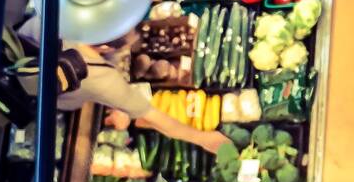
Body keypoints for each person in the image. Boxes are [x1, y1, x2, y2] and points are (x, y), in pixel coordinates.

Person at [17, 16, 227, 152]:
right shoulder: (102, 79)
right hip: (48, 93)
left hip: (20, 48)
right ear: (107, 47)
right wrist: (203, 138)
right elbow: (155, 118)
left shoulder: (71, 13)